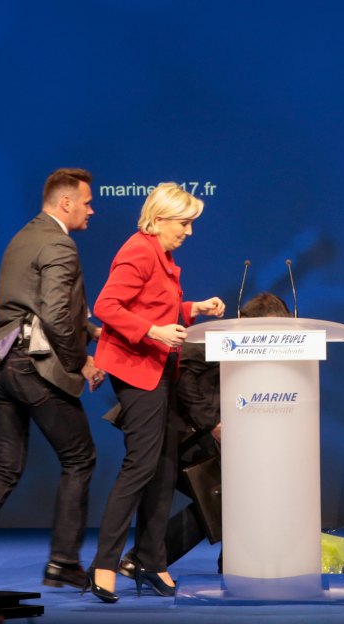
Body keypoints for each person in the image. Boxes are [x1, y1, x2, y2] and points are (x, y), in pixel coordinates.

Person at [0, 169, 106, 591]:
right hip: (34, 366)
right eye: (87, 202)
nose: (91, 210)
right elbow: (56, 316)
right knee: (80, 458)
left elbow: (35, 305)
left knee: (4, 467)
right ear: (66, 203)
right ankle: (63, 562)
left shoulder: (23, 236)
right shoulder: (60, 243)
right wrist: (82, 361)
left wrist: (91, 330)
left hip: (1, 362)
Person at [87, 182, 225, 602]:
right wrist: (153, 331)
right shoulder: (139, 250)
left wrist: (193, 309)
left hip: (160, 369)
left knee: (163, 469)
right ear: (160, 219)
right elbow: (106, 307)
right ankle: (104, 565)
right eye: (184, 223)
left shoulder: (161, 255)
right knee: (140, 466)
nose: (189, 231)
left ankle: (151, 560)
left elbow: (153, 306)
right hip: (136, 372)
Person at [102, 292, 294, 574]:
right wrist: (212, 423)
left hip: (192, 430)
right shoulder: (217, 337)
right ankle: (144, 560)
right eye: (271, 329)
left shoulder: (254, 346)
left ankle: (154, 560)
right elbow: (182, 374)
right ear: (248, 320)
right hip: (170, 426)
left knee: (230, 494)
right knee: (228, 494)